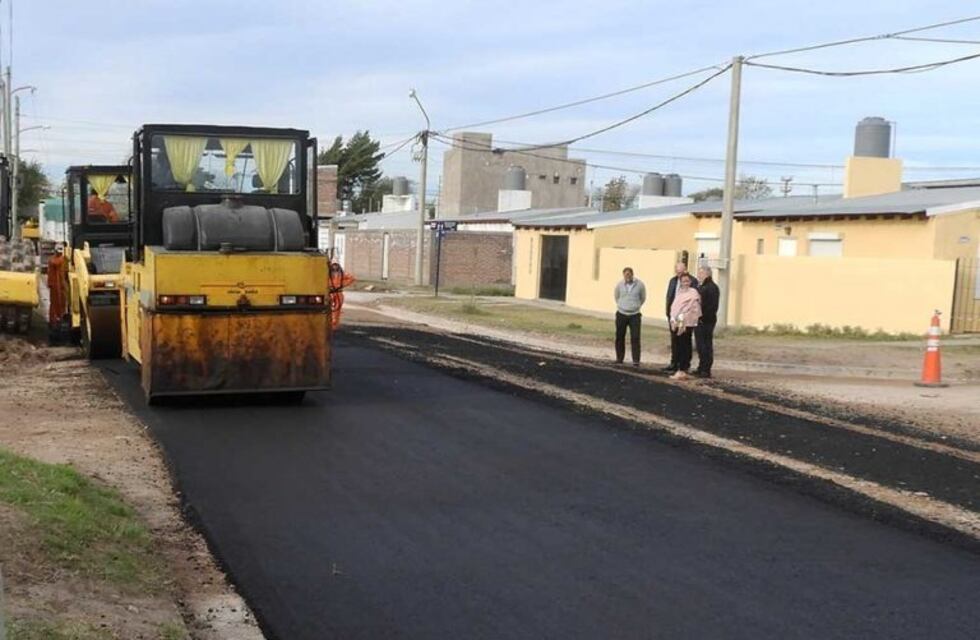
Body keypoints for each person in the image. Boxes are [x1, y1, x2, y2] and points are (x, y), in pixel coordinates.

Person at [663, 261, 698, 372]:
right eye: (677, 272)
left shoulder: (693, 283)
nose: (679, 274)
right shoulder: (673, 281)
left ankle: (684, 365)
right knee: (675, 340)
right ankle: (674, 362)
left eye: (681, 272)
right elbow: (670, 297)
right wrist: (670, 314)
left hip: (686, 318)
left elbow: (693, 303)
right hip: (674, 316)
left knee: (685, 340)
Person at [668, 272, 701, 380]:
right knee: (677, 344)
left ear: (690, 282)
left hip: (687, 322)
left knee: (685, 344)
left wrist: (682, 317)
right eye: (683, 281)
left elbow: (692, 307)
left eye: (687, 281)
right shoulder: (679, 292)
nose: (685, 283)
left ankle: (683, 368)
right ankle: (678, 367)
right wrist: (673, 318)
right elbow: (675, 306)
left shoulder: (693, 292)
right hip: (677, 321)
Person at [613, 266, 646, 366]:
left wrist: (635, 306)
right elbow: (616, 296)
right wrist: (622, 305)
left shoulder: (640, 285)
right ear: (623, 275)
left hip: (634, 315)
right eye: (625, 274)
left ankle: (636, 360)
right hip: (621, 314)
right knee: (620, 336)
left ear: (632, 274)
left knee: (635, 337)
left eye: (629, 274)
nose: (627, 276)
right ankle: (619, 358)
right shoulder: (619, 285)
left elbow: (643, 298)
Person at [695, 266, 720, 378]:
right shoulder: (702, 286)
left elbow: (711, 306)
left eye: (701, 273)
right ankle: (701, 367)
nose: (698, 275)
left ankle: (706, 369)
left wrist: (702, 317)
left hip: (706, 321)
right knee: (700, 345)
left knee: (705, 345)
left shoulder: (711, 287)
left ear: (707, 274)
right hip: (700, 319)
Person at [46, 244, 68, 341]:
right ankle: (55, 322)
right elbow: (55, 263)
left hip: (61, 287)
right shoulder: (57, 260)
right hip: (56, 286)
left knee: (61, 304)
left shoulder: (61, 260)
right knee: (55, 305)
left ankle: (58, 320)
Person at [329, 261, 356, 330]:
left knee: (337, 310)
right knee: (328, 310)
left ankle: (334, 325)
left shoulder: (341, 274)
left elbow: (352, 278)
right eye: (333, 268)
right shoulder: (327, 275)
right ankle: (328, 324)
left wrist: (342, 284)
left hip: (338, 293)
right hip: (330, 293)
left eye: (336, 268)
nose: (335, 270)